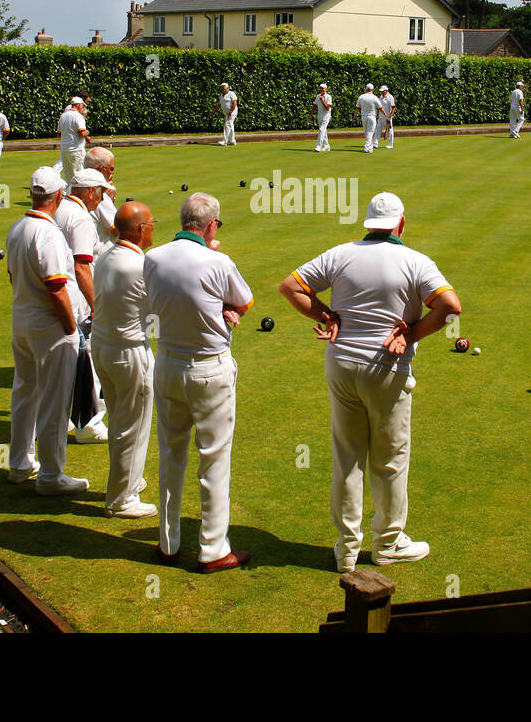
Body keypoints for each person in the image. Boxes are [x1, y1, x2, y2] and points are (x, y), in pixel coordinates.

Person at [278, 191, 461, 573]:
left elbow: (290, 287)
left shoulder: (340, 253)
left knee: (348, 457)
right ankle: (389, 543)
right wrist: (410, 334)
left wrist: (329, 316)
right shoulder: (415, 261)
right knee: (390, 458)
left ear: (368, 223)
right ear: (401, 223)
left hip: (341, 363)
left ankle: (346, 550)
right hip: (387, 368)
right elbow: (449, 307)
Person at [144, 192, 253, 573]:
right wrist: (221, 306)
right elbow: (245, 301)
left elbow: (163, 299)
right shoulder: (218, 261)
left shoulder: (153, 257)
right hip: (210, 369)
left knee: (171, 454)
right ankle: (212, 549)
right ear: (211, 226)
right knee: (214, 460)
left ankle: (168, 543)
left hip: (168, 364)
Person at [5, 166, 90, 496]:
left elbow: (14, 278)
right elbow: (57, 288)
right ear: (59, 196)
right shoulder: (49, 234)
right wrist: (70, 328)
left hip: (22, 321)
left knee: (25, 393)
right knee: (54, 401)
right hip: (49, 327)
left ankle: (19, 463)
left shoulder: (17, 228)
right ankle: (52, 475)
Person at [91, 200, 158, 518]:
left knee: (120, 420)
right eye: (152, 224)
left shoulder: (106, 255)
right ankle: (121, 499)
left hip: (103, 346)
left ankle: (128, 480)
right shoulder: (139, 265)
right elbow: (159, 311)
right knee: (132, 425)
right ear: (142, 229)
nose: (153, 229)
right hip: (128, 351)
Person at [53, 168, 111, 444]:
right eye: (100, 193)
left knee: (63, 363)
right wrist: (95, 304)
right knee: (87, 361)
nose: (101, 200)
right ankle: (89, 424)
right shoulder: (81, 218)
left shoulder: (58, 209)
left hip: (55, 298)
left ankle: (61, 419)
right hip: (75, 300)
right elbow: (81, 265)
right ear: (90, 192)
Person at [84, 146, 118, 251]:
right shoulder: (100, 195)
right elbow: (118, 231)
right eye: (111, 169)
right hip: (100, 257)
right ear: (101, 169)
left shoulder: (74, 186)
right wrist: (108, 200)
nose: (112, 172)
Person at [57, 97, 90, 177]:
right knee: (79, 176)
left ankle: (69, 190)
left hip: (65, 150)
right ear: (78, 105)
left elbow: (59, 135)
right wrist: (87, 132)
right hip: (76, 150)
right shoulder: (78, 116)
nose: (82, 108)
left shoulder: (63, 116)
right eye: (82, 106)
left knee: (68, 176)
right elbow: (82, 133)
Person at [355, 83, 381, 153]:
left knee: (367, 133)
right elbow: (380, 108)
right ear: (372, 89)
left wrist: (354, 116)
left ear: (366, 89)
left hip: (364, 117)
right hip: (372, 117)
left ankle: (370, 148)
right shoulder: (374, 97)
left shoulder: (361, 97)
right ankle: (367, 148)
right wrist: (385, 114)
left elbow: (357, 108)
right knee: (370, 133)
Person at [312, 83, 332, 152]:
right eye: (321, 88)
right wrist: (310, 114)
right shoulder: (318, 96)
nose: (322, 89)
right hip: (319, 115)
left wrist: (322, 101)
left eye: (323, 88)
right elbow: (315, 106)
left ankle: (318, 146)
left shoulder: (329, 97)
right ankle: (327, 146)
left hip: (326, 115)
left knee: (321, 130)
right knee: (324, 131)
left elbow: (327, 108)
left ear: (326, 89)